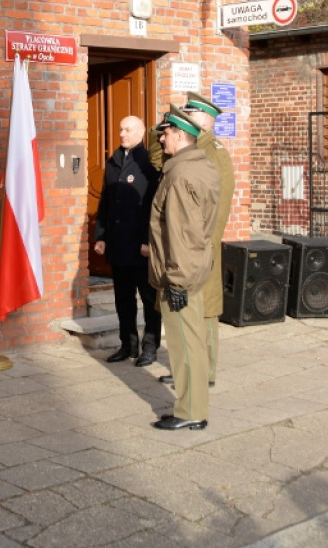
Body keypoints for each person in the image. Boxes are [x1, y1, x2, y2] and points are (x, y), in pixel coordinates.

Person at [148, 105, 220, 431]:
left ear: (180, 135)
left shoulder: (179, 176)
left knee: (185, 347)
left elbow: (180, 233)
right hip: (195, 268)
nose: (161, 138)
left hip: (181, 273)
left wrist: (175, 280)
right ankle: (192, 406)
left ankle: (191, 411)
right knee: (193, 341)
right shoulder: (199, 165)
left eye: (165, 133)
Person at [157, 92, 235, 388]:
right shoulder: (190, 148)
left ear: (201, 120)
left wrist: (205, 245)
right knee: (190, 310)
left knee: (206, 309)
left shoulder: (214, 152)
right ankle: (188, 369)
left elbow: (219, 205)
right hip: (190, 244)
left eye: (188, 113)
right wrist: (163, 127)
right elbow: (157, 158)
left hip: (202, 244)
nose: (184, 116)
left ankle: (206, 372)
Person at [93, 115, 161, 366]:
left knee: (149, 299)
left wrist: (148, 241)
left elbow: (153, 207)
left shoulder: (148, 163)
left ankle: (150, 347)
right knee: (123, 299)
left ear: (142, 133)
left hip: (140, 246)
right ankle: (127, 345)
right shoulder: (113, 162)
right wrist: (101, 236)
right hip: (118, 244)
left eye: (128, 130)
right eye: (121, 129)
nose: (123, 134)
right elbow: (105, 203)